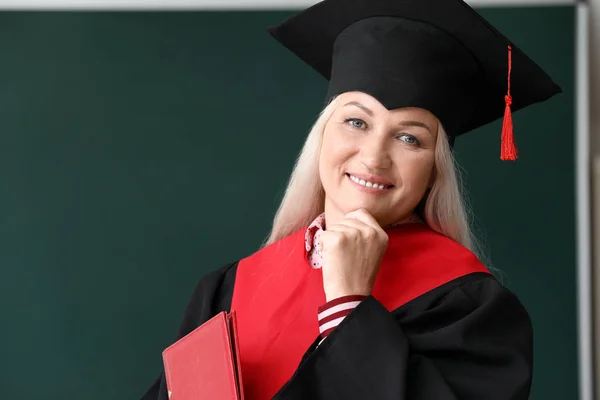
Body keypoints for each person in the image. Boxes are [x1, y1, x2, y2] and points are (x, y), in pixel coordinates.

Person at [142, 0, 561, 399]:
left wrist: (349, 306)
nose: (374, 157)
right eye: (356, 121)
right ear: (323, 135)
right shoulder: (227, 290)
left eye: (409, 137)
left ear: (435, 168)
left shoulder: (469, 308)